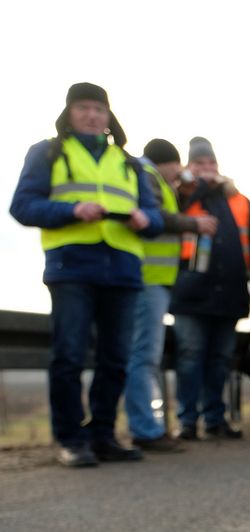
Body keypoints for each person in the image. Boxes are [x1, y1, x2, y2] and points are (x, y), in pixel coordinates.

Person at [9, 83, 162, 467]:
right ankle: (71, 438)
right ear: (69, 113)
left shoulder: (129, 163)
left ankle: (103, 434)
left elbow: (156, 217)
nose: (92, 115)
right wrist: (72, 210)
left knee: (115, 358)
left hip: (124, 268)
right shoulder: (49, 152)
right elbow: (23, 206)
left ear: (109, 116)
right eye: (84, 108)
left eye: (98, 109)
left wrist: (147, 220)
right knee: (70, 354)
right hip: (72, 265)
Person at [171, 137, 250, 440]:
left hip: (230, 290)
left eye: (211, 163)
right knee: (190, 355)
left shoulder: (239, 201)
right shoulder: (180, 195)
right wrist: (199, 186)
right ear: (188, 167)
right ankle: (187, 421)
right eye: (200, 164)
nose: (207, 169)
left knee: (220, 358)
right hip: (190, 291)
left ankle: (215, 418)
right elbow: (171, 216)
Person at [125, 138, 210, 451]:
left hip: (153, 279)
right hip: (147, 278)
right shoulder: (149, 175)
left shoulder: (154, 178)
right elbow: (159, 218)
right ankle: (146, 428)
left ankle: (147, 425)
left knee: (143, 355)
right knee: (143, 355)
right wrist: (194, 223)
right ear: (171, 163)